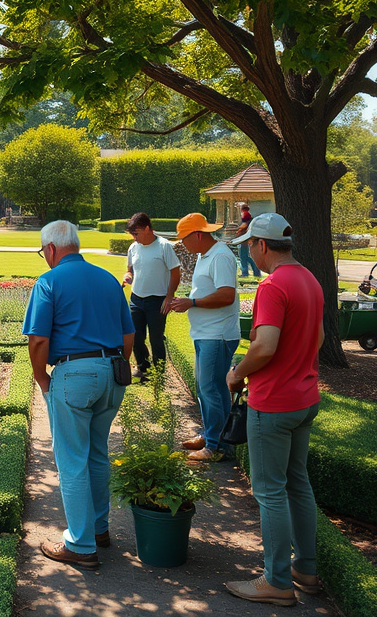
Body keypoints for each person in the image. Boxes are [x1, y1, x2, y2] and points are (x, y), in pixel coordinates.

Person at [224, 213, 323, 606]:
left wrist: (237, 374)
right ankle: (306, 569)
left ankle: (277, 580)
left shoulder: (273, 285)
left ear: (262, 245)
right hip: (304, 398)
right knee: (298, 483)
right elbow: (314, 339)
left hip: (273, 403)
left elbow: (263, 346)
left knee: (269, 492)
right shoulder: (309, 279)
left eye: (249, 244)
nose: (250, 250)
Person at [24, 220, 135, 569]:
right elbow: (128, 334)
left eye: (44, 252)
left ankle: (81, 544)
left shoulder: (49, 281)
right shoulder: (106, 278)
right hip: (113, 372)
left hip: (74, 375)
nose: (45, 258)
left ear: (52, 249)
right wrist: (114, 368)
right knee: (97, 454)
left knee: (71, 460)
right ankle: (99, 528)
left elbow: (39, 339)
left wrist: (41, 377)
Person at [169, 213, 240, 461]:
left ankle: (213, 445)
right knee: (211, 388)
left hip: (217, 334)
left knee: (209, 388)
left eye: (184, 239)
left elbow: (226, 295)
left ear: (198, 235)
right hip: (207, 333)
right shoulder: (206, 254)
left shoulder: (220, 256)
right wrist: (190, 302)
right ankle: (214, 436)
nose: (183, 245)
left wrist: (192, 302)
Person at [122, 212, 181, 381]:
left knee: (156, 338)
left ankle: (159, 373)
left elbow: (175, 274)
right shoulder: (133, 248)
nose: (134, 237)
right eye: (132, 234)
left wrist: (169, 297)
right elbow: (130, 270)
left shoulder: (164, 246)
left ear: (147, 229)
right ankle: (143, 368)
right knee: (136, 337)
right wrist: (128, 276)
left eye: (136, 233)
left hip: (158, 300)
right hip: (136, 299)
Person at [235, 203, 262, 278]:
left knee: (243, 257)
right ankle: (255, 271)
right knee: (245, 257)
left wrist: (238, 230)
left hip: (244, 240)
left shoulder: (246, 215)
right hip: (244, 240)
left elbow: (245, 225)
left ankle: (245, 272)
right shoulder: (247, 215)